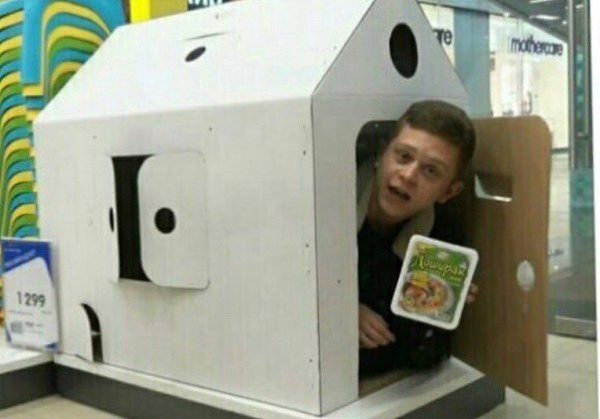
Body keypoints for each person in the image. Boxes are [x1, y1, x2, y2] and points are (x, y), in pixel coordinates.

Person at [357, 100, 479, 377]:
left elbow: (424, 354)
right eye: (403, 156)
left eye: (430, 171)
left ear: (448, 192)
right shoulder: (324, 201)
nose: (409, 175)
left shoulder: (442, 242)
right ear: (380, 155)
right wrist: (338, 309)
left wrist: (438, 313)